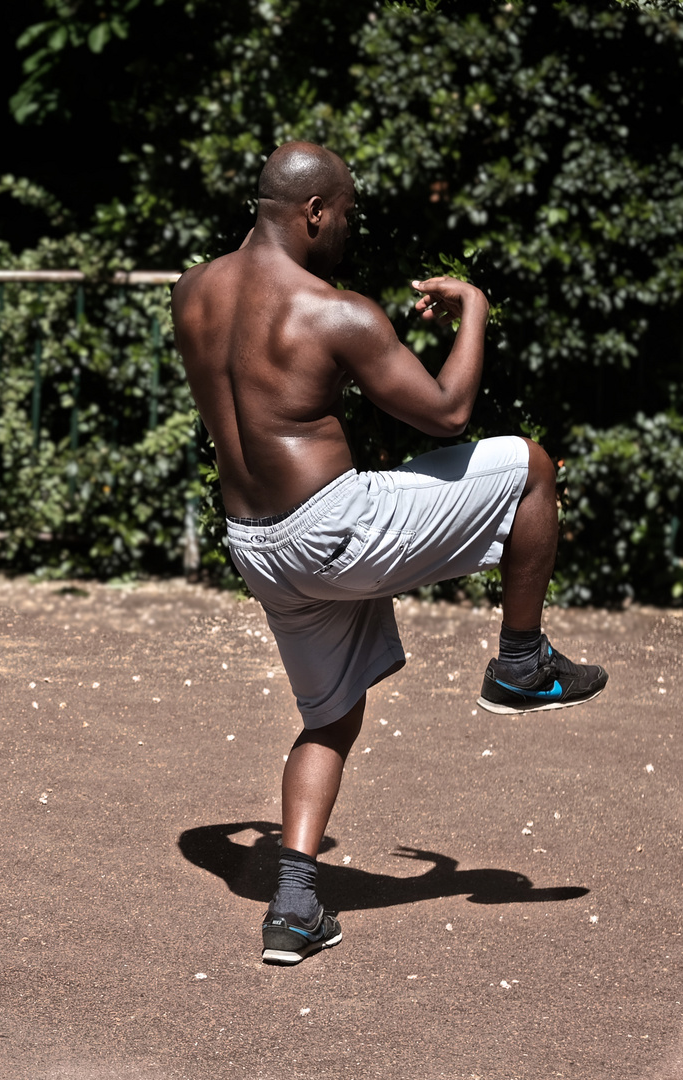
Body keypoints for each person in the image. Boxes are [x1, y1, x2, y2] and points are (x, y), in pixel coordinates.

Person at [170, 141, 608, 966]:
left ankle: (295, 904)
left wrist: (239, 838)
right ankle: (520, 661)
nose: (350, 231)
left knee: (329, 716)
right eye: (348, 217)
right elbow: (446, 413)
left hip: (257, 545)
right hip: (335, 529)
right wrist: (474, 308)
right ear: (314, 213)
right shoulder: (335, 310)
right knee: (533, 469)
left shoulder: (193, 293)